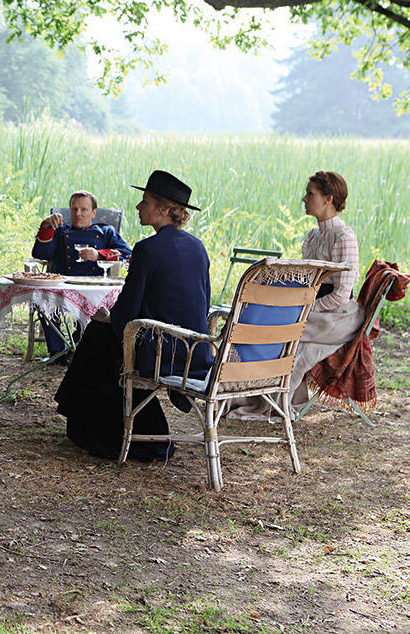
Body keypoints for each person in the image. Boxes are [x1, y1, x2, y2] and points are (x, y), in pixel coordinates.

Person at [54, 171, 213, 462]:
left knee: (97, 336)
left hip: (162, 349)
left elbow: (126, 312)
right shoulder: (197, 247)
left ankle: (98, 430)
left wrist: (106, 319)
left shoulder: (147, 249)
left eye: (145, 202)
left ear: (163, 210)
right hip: (195, 349)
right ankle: (95, 423)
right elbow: (202, 303)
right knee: (103, 336)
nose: (139, 207)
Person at [228, 171, 365, 419]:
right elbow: (304, 282)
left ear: (328, 198)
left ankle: (272, 400)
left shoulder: (344, 237)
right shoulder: (313, 236)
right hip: (314, 306)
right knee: (265, 324)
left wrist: (304, 309)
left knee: (285, 332)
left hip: (339, 314)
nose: (304, 199)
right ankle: (243, 391)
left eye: (310, 194)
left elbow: (341, 295)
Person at [31, 191, 132, 360]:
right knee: (43, 302)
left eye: (84, 210)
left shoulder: (106, 231)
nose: (78, 214)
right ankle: (58, 353)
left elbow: (127, 253)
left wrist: (99, 254)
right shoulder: (60, 230)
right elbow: (41, 253)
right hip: (65, 285)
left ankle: (79, 348)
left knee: (98, 308)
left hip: (94, 287)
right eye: (74, 209)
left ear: (94, 212)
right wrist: (46, 227)